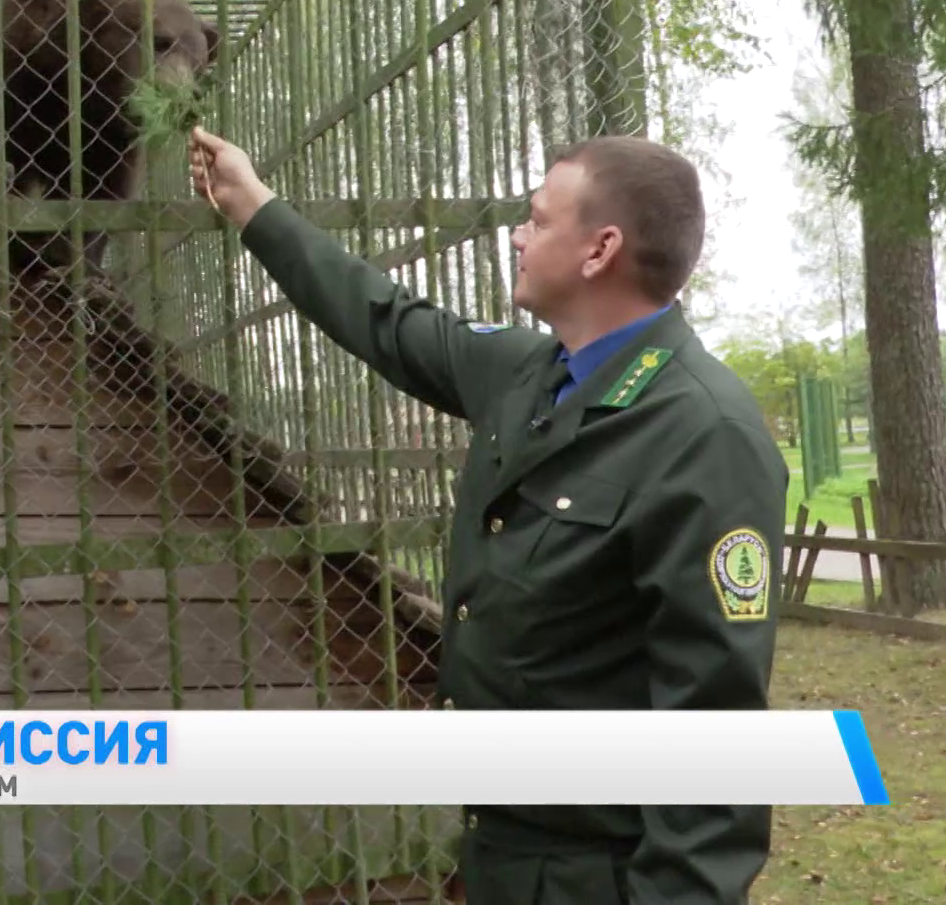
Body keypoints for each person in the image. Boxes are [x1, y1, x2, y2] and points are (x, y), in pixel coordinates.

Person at [186, 126, 787, 905]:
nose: (517, 237)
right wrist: (252, 205)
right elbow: (386, 319)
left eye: (537, 220)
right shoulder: (531, 375)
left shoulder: (704, 436)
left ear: (599, 249)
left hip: (599, 873)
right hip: (500, 850)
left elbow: (716, 737)